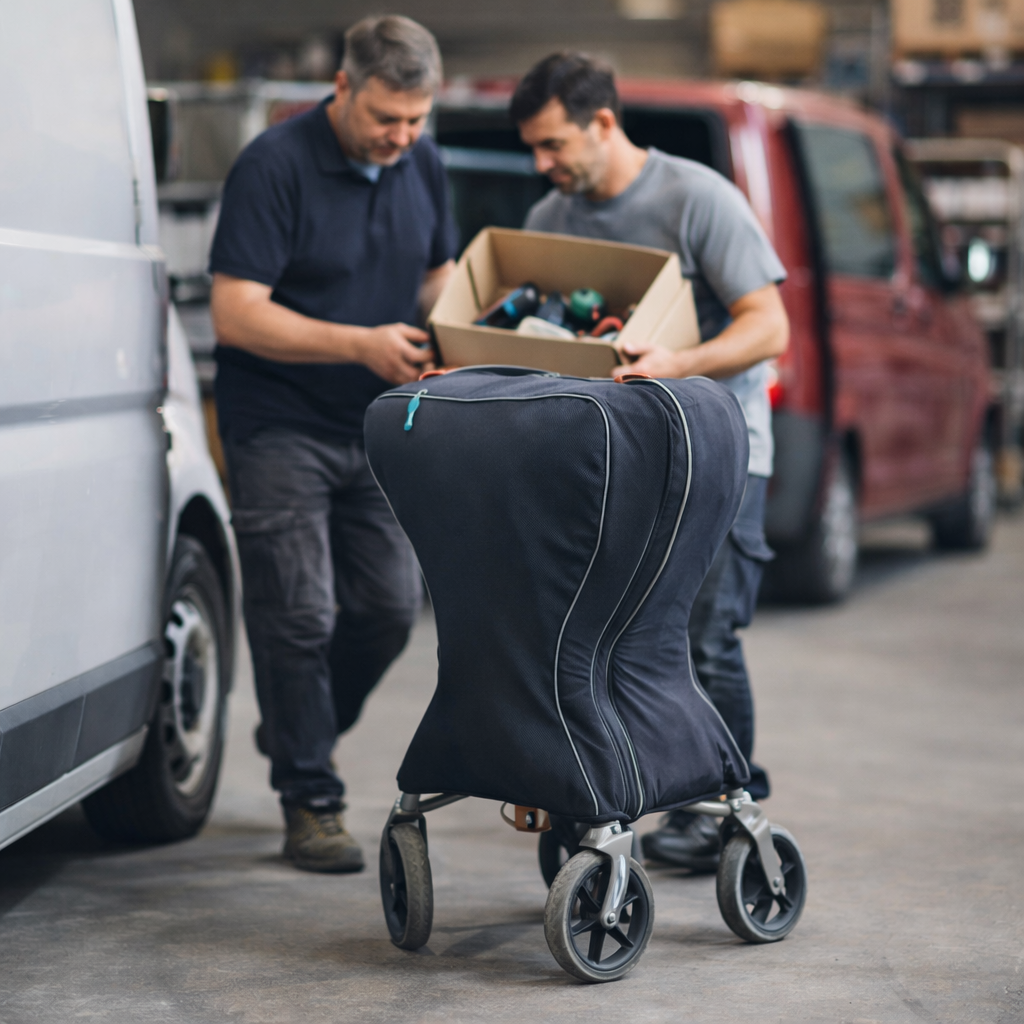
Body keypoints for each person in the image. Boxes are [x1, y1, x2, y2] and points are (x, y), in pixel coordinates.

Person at [512, 53, 789, 871]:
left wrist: (682, 362)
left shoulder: (696, 197)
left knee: (704, 640)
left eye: (554, 143)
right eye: (533, 148)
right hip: (612, 465)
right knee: (603, 641)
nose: (543, 164)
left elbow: (768, 326)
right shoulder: (549, 214)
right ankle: (619, 790)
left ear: (604, 122)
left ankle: (726, 809)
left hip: (719, 454)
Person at [208, 15, 457, 873]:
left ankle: (292, 728)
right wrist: (358, 342)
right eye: (388, 118)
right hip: (279, 420)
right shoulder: (273, 166)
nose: (403, 138)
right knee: (299, 614)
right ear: (343, 88)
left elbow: (436, 272)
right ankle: (309, 796)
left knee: (389, 609)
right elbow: (236, 310)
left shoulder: (420, 157)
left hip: (383, 422)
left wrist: (454, 326)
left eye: (417, 121)